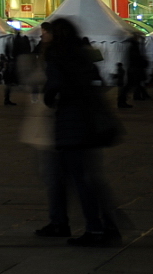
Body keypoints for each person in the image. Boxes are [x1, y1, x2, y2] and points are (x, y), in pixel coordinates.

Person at [36, 17, 122, 247]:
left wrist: (48, 96)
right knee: (88, 178)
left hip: (71, 124)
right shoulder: (84, 53)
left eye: (47, 33)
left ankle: (95, 228)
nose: (43, 36)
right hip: (90, 122)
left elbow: (53, 88)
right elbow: (98, 82)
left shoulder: (56, 56)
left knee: (80, 179)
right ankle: (108, 225)